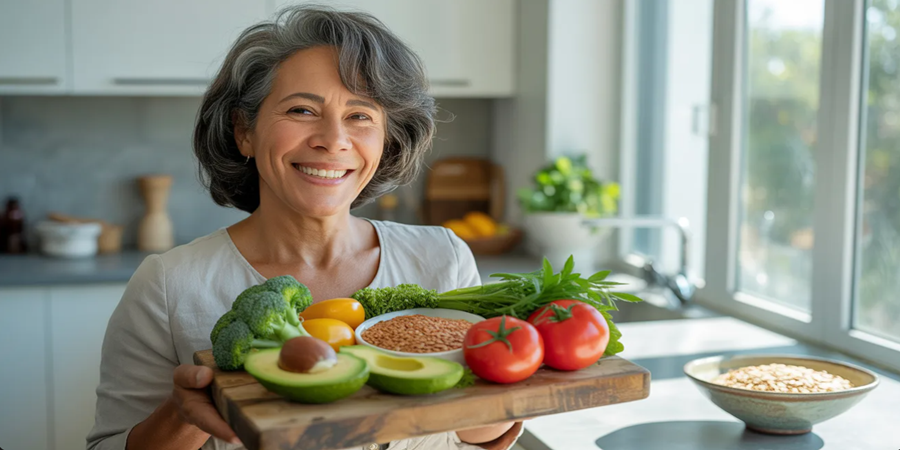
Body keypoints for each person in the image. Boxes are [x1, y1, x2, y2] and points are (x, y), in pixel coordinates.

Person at [86, 5, 525, 450]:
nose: (333, 139)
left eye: (360, 116)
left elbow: (470, 439)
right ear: (244, 131)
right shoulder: (169, 285)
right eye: (300, 109)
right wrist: (184, 414)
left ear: (386, 138)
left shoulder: (441, 258)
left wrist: (501, 392)